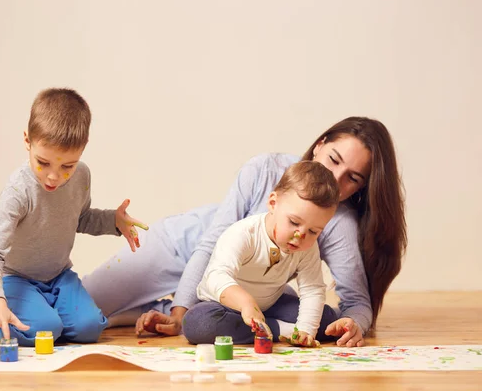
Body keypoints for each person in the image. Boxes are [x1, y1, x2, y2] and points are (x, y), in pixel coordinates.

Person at [83, 117, 407, 348]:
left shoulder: (338, 221)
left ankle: (165, 310)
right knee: (85, 311)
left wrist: (354, 323)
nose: (335, 179)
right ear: (320, 144)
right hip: (183, 249)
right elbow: (210, 245)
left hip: (243, 291)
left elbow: (355, 300)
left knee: (324, 321)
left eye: (353, 178)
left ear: (363, 187)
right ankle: (175, 308)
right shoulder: (264, 169)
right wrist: (182, 315)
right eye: (333, 159)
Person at [0, 88, 147, 346]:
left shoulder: (81, 176)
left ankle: (41, 309)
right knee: (47, 330)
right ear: (27, 141)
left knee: (89, 329)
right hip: (16, 278)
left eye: (67, 166)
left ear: (82, 150)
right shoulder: (17, 192)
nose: (54, 176)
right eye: (43, 163)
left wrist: (114, 221)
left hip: (58, 276)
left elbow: (80, 218)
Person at [185, 161, 340, 346]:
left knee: (328, 321)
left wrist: (306, 330)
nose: (300, 237)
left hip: (271, 304)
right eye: (293, 222)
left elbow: (312, 289)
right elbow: (216, 277)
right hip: (225, 306)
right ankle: (279, 329)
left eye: (314, 231)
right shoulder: (243, 234)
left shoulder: (308, 247)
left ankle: (276, 328)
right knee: (198, 324)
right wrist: (246, 304)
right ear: (273, 203)